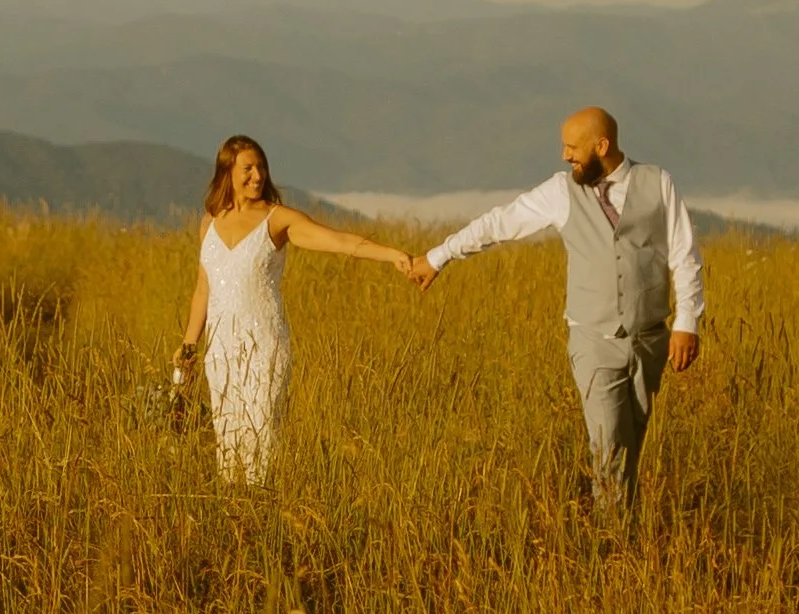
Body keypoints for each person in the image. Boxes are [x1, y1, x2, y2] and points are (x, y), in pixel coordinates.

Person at [411, 108, 702, 517]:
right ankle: (614, 546)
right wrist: (438, 257)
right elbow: (500, 223)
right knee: (609, 447)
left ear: (602, 146)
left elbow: (684, 254)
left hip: (650, 338)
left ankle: (622, 538)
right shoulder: (561, 191)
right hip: (592, 339)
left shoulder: (659, 183)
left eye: (572, 147)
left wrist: (686, 322)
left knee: (629, 445)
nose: (565, 156)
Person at [175, 133, 429, 483]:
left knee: (261, 439)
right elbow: (203, 289)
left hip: (264, 345)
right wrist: (189, 346)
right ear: (227, 174)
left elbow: (338, 241)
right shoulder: (210, 223)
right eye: (248, 168)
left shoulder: (277, 219)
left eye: (261, 167)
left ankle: (261, 511)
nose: (257, 176)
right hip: (219, 351)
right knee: (228, 442)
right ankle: (235, 519)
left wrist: (392, 255)